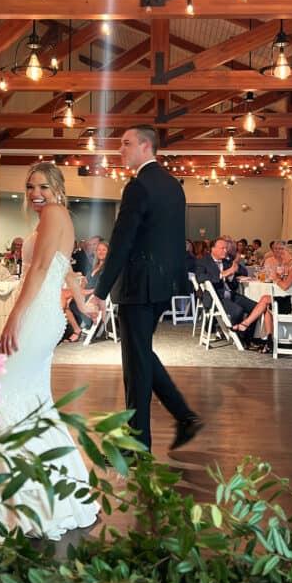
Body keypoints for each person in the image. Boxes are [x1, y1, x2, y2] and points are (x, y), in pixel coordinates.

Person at [0, 161, 99, 538]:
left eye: (42, 186)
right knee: (33, 400)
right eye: (29, 188)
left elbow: (40, 270)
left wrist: (14, 318)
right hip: (40, 312)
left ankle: (25, 498)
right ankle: (48, 491)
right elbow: (66, 269)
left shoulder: (54, 213)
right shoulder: (58, 217)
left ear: (56, 187)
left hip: (35, 315)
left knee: (6, 394)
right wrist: (82, 302)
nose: (35, 194)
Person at [90, 125, 203, 453]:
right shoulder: (173, 186)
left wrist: (99, 291)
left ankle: (136, 446)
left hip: (138, 286)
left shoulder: (138, 187)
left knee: (135, 363)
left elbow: (122, 243)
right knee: (140, 355)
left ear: (145, 146)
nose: (120, 150)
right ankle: (183, 416)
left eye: (126, 144)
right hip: (163, 286)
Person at [234, 243, 292, 353]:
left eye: (284, 253)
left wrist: (275, 278)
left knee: (265, 299)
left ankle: (245, 325)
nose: (282, 255)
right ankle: (269, 339)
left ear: (291, 255)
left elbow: (285, 286)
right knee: (267, 304)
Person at [196, 237, 257, 346]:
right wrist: (223, 274)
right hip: (215, 298)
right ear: (213, 249)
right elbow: (200, 277)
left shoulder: (227, 261)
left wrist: (234, 270)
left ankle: (247, 337)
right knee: (238, 311)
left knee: (255, 307)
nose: (225, 251)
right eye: (222, 248)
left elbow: (243, 272)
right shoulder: (203, 262)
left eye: (226, 248)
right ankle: (240, 337)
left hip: (231, 294)